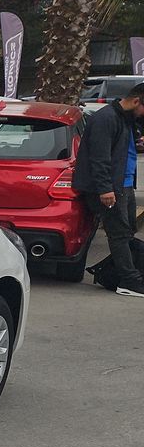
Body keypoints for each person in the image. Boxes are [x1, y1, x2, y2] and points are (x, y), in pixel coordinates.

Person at [77, 82, 144, 297]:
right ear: (136, 101)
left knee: (126, 232)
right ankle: (128, 281)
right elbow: (99, 158)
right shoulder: (105, 119)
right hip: (112, 188)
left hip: (125, 185)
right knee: (119, 234)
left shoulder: (126, 119)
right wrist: (105, 189)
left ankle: (123, 273)